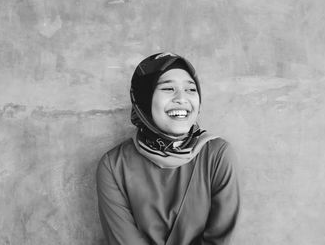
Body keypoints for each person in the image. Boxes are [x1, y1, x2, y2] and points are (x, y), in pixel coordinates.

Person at [96, 52, 240, 245]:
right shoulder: (113, 165)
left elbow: (220, 238)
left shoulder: (217, 155)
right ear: (144, 99)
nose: (182, 98)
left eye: (191, 89)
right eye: (168, 88)